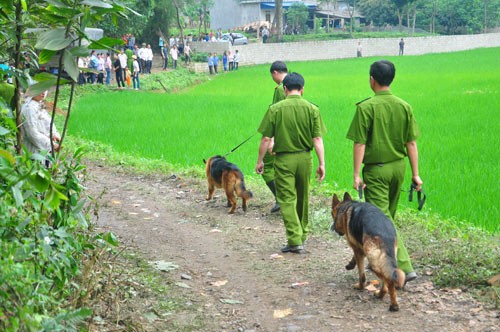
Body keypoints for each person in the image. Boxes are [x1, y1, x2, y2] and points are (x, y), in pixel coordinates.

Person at [346, 60, 422, 284]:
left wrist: (356, 174)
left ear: (372, 79)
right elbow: (411, 143)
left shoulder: (366, 107)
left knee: (384, 219)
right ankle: (388, 259)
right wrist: (415, 174)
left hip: (376, 171)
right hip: (399, 167)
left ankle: (404, 268)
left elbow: (359, 144)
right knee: (388, 214)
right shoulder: (404, 106)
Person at [256, 72, 327, 254]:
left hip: (284, 159)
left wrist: (260, 161)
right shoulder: (313, 109)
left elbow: (265, 138)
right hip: (305, 158)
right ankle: (302, 233)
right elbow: (317, 139)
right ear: (302, 89)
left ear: (285, 89)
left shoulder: (275, 109)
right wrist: (322, 163)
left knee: (286, 198)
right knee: (302, 196)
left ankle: (294, 239)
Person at [260, 61, 288, 213]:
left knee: (266, 165)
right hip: (294, 135)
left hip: (278, 134)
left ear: (275, 72)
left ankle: (280, 199)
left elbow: (277, 114)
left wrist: (271, 138)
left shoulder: (280, 89)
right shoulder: (295, 84)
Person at [20, 89, 61, 158]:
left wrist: (53, 134)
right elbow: (32, 133)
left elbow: (47, 123)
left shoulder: (39, 104)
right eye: (40, 89)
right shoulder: (29, 108)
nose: (43, 92)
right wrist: (51, 145)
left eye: (45, 89)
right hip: (33, 151)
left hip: (43, 151)